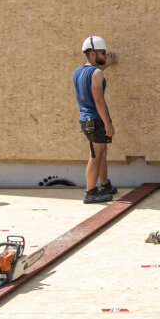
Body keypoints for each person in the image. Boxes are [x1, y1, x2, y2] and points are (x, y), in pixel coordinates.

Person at [73, 35, 117, 204]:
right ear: (92, 53)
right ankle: (90, 192)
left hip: (85, 119)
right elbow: (98, 100)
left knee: (101, 153)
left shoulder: (79, 71)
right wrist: (107, 123)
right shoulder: (96, 73)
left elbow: (93, 76)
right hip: (96, 119)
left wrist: (106, 65)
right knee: (96, 155)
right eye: (102, 52)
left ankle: (104, 185)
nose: (105, 55)